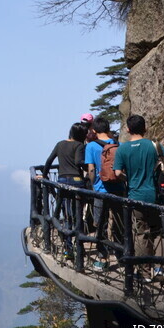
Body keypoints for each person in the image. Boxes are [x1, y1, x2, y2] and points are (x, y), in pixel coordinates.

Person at [113, 114, 164, 282]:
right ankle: (160, 269)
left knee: (141, 234)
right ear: (145, 128)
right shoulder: (154, 145)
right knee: (159, 232)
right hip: (155, 196)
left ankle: (144, 273)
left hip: (135, 196)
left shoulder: (122, 149)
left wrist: (128, 178)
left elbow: (116, 173)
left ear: (128, 129)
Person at [44, 122, 88, 260]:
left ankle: (68, 249)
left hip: (62, 182)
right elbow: (79, 162)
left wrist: (44, 176)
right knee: (78, 215)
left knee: (67, 215)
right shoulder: (79, 145)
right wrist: (89, 168)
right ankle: (79, 248)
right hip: (77, 182)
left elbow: (49, 161)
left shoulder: (60, 144)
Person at [86, 116, 124, 271]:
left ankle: (103, 258)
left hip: (101, 190)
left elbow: (91, 169)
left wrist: (93, 185)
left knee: (100, 224)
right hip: (118, 188)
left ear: (94, 130)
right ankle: (122, 255)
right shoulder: (117, 144)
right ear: (108, 128)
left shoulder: (91, 146)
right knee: (120, 223)